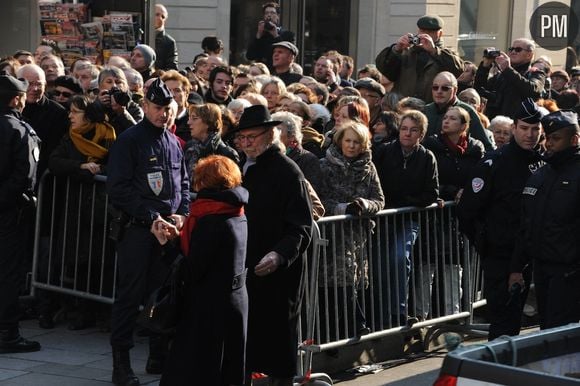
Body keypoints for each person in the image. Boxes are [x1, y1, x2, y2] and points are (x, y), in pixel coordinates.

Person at [106, 78, 190, 385]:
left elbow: (183, 184)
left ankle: (158, 356)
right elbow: (118, 189)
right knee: (129, 297)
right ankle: (121, 365)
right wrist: (153, 215)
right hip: (139, 232)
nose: (163, 114)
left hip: (167, 233)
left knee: (163, 296)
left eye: (167, 108)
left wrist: (181, 214)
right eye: (157, 108)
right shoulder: (130, 140)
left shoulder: (173, 141)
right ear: (144, 107)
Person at [233, 105, 312, 385]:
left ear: (270, 135)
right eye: (241, 138)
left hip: (277, 274)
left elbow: (301, 226)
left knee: (278, 345)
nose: (245, 143)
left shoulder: (287, 172)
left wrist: (279, 255)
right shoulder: (241, 166)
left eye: (251, 137)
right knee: (242, 343)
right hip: (245, 268)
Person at [154, 155, 248, 386]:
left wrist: (166, 245)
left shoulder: (211, 219)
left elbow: (191, 269)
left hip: (207, 308)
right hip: (233, 303)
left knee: (195, 371)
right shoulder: (236, 211)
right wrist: (179, 239)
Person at [457, 99, 545, 341]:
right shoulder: (494, 163)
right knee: (502, 323)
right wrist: (485, 245)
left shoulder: (540, 162)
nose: (530, 135)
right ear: (514, 128)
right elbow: (467, 211)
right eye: (525, 128)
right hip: (500, 253)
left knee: (513, 321)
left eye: (535, 129)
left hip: (526, 253)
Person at [48, 95, 116, 330]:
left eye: (75, 112)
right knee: (79, 261)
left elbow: (116, 166)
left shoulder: (109, 135)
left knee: (103, 262)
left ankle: (102, 313)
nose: (70, 116)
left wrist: (99, 170)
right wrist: (80, 167)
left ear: (88, 115)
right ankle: (82, 311)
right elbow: (55, 163)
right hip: (76, 210)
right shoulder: (70, 137)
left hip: (102, 211)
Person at [510, 110, 580, 330]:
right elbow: (526, 224)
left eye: (556, 138)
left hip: (570, 271)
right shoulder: (541, 174)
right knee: (547, 332)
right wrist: (516, 267)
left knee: (561, 336)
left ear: (574, 139)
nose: (549, 144)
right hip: (541, 268)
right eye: (548, 138)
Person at [318, 121, 385, 339]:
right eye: (348, 140)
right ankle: (349, 328)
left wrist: (365, 206)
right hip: (331, 235)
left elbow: (379, 200)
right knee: (337, 283)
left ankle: (348, 330)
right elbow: (318, 201)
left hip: (357, 236)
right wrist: (342, 208)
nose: (352, 146)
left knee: (350, 282)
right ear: (340, 141)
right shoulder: (324, 166)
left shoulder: (369, 167)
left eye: (357, 142)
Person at [373, 109, 439, 326]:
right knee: (381, 264)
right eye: (404, 129)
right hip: (383, 219)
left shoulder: (427, 157)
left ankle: (399, 312)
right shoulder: (383, 152)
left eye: (413, 130)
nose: (407, 134)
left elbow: (431, 192)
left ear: (421, 134)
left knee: (401, 258)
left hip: (407, 219)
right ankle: (382, 316)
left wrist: (408, 202)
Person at [420, 107, 484, 319]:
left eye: (453, 118)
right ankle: (422, 317)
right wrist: (451, 191)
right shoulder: (431, 145)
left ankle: (454, 315)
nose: (446, 121)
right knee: (425, 266)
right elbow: (431, 178)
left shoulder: (476, 149)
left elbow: (480, 176)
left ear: (464, 126)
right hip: (435, 215)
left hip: (460, 218)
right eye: (445, 118)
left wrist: (467, 190)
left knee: (453, 267)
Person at [0, 74, 42, 354]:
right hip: (9, 214)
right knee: (8, 273)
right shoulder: (20, 130)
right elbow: (23, 178)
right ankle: (7, 333)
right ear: (16, 99)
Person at [375, 15, 463, 103]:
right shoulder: (407, 51)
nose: (425, 35)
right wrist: (397, 49)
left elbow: (458, 70)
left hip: (432, 107)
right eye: (422, 31)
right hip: (403, 106)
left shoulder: (446, 54)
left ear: (440, 34)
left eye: (430, 32)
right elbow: (385, 70)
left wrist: (434, 51)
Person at [16, 64, 69, 183]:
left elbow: (52, 152)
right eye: (29, 83)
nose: (35, 89)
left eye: (39, 84)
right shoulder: (9, 107)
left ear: (45, 85)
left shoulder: (58, 113)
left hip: (40, 180)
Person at [474, 38, 545, 120]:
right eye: (511, 49)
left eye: (518, 50)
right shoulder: (501, 75)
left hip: (517, 125)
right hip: (495, 124)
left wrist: (508, 69)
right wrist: (485, 67)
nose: (513, 52)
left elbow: (533, 90)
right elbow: (479, 89)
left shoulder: (535, 73)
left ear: (529, 55)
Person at [424, 71, 495, 150]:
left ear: (455, 90)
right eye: (435, 87)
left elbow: (486, 146)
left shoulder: (467, 111)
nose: (439, 91)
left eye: (445, 88)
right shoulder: (425, 110)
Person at [185, 103, 239, 184]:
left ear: (208, 123)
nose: (188, 122)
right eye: (189, 118)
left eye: (194, 118)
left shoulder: (227, 154)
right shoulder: (189, 147)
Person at [246, 2, 296, 69]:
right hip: (263, 72)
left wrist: (276, 35)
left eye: (272, 13)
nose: (269, 15)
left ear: (278, 16)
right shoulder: (259, 35)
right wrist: (258, 36)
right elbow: (250, 56)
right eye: (266, 13)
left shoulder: (288, 35)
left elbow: (288, 55)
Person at [154, 4, 179, 71]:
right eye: (157, 14)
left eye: (163, 16)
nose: (159, 18)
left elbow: (172, 67)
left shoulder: (169, 42)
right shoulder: (140, 34)